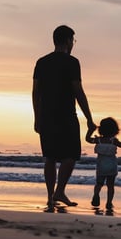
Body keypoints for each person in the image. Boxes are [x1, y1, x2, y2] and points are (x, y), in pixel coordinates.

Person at [32, 25, 97, 208]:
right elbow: (78, 91)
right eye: (73, 40)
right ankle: (59, 191)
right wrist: (89, 119)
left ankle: (50, 196)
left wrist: (37, 117)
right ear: (68, 40)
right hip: (66, 115)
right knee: (71, 154)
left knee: (50, 157)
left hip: (46, 116)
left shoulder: (42, 62)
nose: (73, 44)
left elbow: (35, 92)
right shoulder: (72, 62)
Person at [85, 117, 121, 210]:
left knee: (99, 183)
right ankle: (109, 202)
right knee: (110, 185)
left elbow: (88, 139)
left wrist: (90, 130)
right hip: (111, 166)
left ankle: (96, 194)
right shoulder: (114, 141)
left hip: (101, 166)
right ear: (115, 130)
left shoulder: (99, 140)